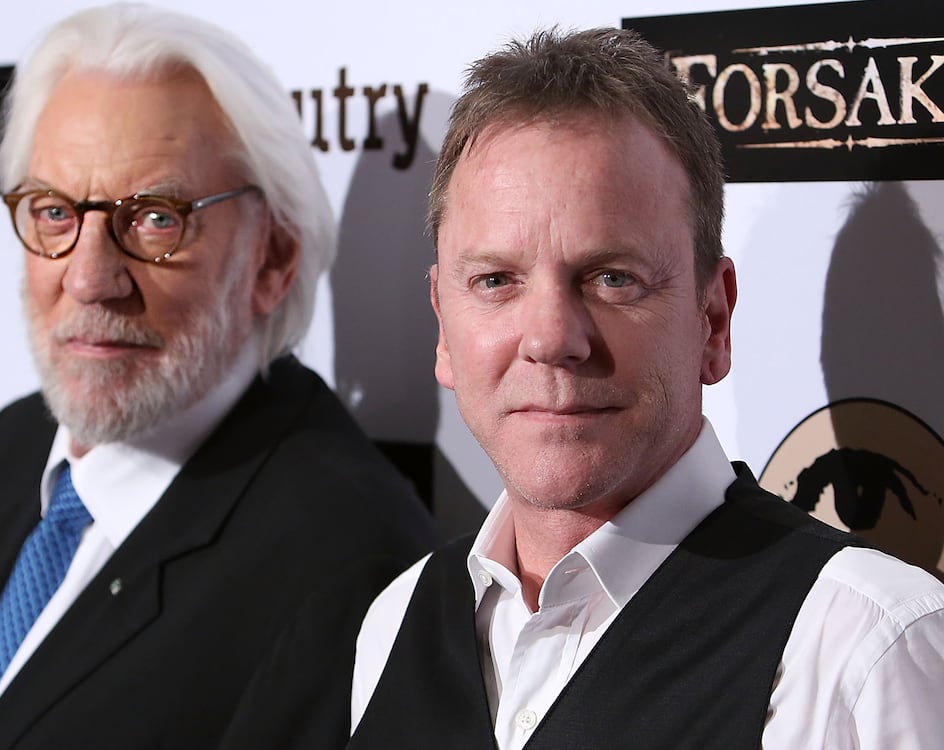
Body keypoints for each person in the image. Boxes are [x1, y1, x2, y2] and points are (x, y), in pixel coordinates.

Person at [345, 27, 944, 749]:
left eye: (611, 278)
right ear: (444, 326)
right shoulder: (395, 620)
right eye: (496, 281)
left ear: (713, 319)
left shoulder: (862, 650)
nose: (551, 339)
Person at [0, 5, 437, 749]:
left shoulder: (350, 571)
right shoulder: (8, 448)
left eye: (156, 219)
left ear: (272, 259)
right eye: (53, 213)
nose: (91, 278)